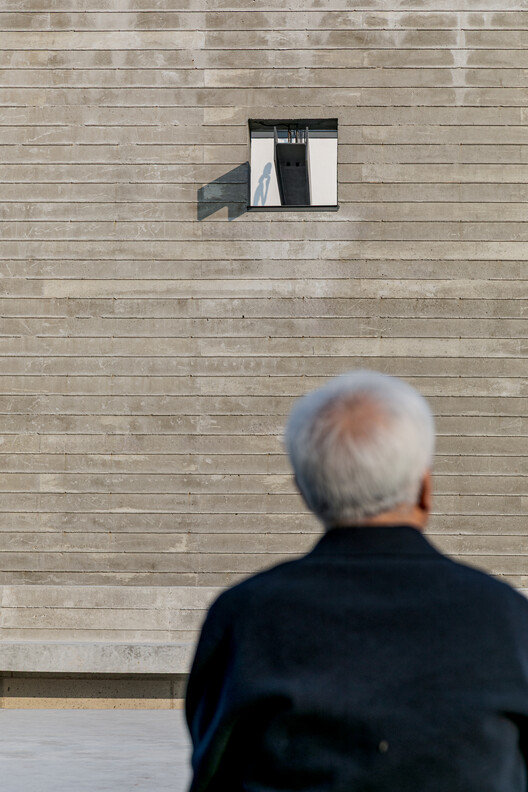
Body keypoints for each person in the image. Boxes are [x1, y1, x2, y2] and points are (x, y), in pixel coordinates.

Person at [185, 370, 528, 792]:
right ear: (425, 488)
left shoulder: (245, 617)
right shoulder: (509, 618)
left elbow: (214, 771)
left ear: (306, 492)